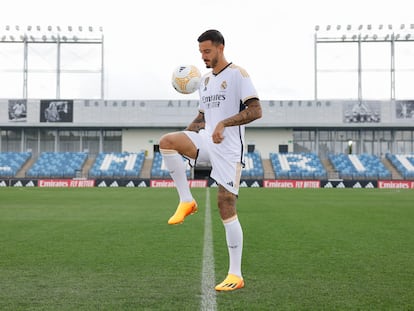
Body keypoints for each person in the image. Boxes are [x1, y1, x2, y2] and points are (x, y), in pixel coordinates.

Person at [159, 29, 262, 291]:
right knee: (168, 142)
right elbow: (202, 117)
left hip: (229, 150)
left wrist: (224, 124)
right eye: (200, 52)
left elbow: (256, 110)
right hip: (207, 141)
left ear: (220, 48)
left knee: (225, 204)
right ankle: (186, 201)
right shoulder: (204, 82)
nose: (203, 56)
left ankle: (235, 275)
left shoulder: (238, 74)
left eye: (207, 51)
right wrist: (186, 136)